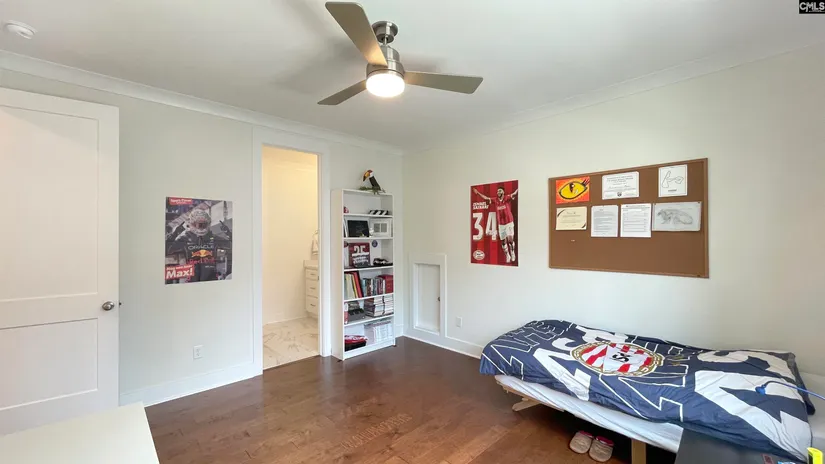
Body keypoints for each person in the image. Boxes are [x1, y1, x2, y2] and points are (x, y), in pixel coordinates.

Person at [166, 207, 232, 282]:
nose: (200, 227)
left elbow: (234, 246)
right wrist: (174, 234)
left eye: (203, 225)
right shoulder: (184, 239)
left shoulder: (214, 238)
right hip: (191, 281)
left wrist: (228, 233)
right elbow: (165, 251)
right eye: (198, 224)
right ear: (191, 224)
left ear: (208, 224)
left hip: (211, 280)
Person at [473, 186, 519, 263]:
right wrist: (478, 193)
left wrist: (519, 188)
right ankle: (507, 255)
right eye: (497, 191)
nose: (498, 192)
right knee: (503, 242)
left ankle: (512, 252)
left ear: (503, 192)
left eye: (500, 191)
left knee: (510, 240)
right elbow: (486, 198)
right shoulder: (495, 200)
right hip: (501, 225)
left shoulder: (507, 198)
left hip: (509, 223)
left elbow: (514, 194)